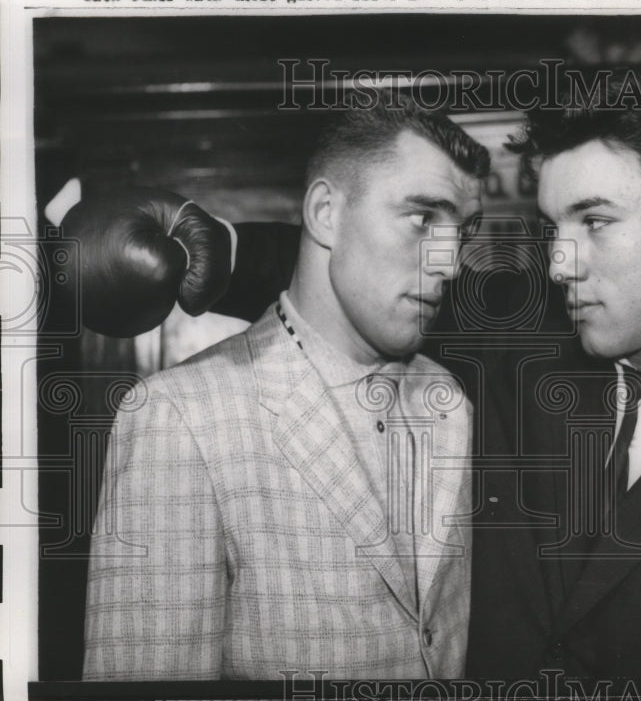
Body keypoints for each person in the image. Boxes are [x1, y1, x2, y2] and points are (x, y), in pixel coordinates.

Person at [72, 76, 641, 681]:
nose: (560, 261)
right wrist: (218, 253)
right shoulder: (522, 352)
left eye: (595, 221)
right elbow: (371, 270)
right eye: (553, 224)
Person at [82, 96, 488, 680]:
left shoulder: (450, 400)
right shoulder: (179, 419)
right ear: (325, 213)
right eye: (423, 218)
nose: (451, 263)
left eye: (463, 232)